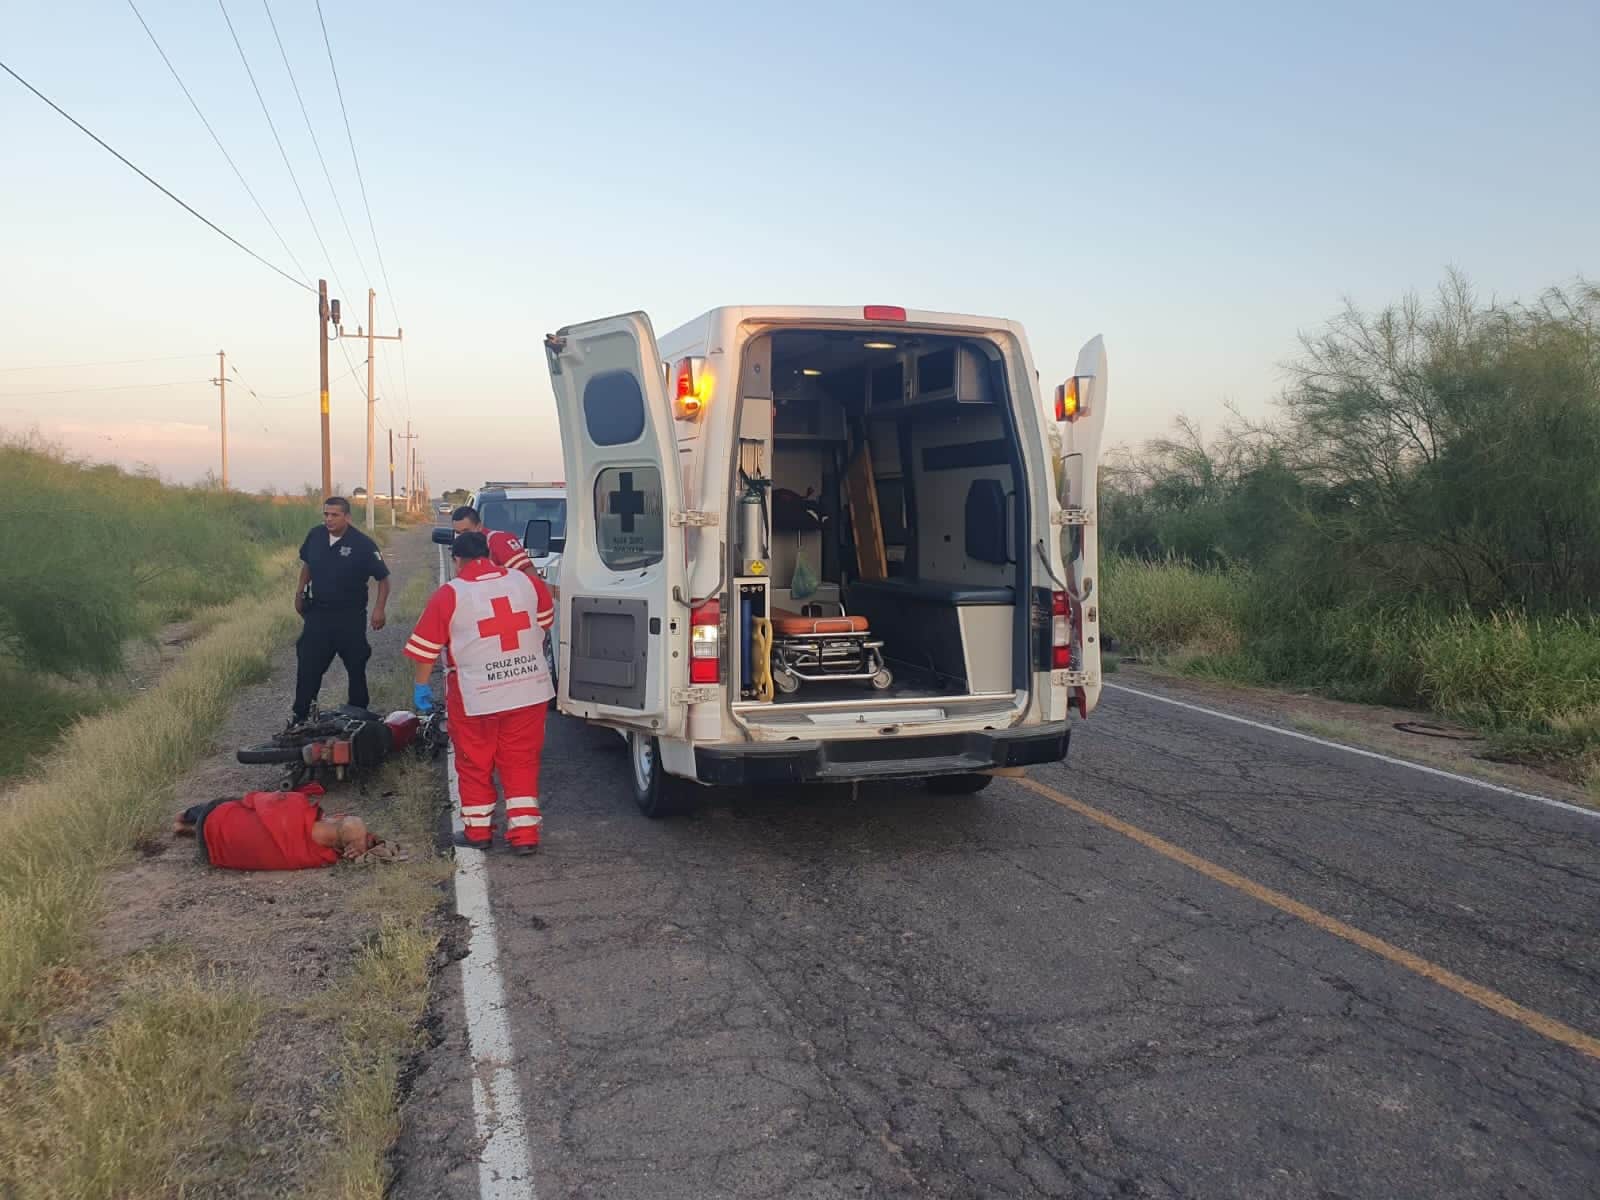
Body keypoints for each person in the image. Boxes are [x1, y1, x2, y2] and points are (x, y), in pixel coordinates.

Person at [405, 531, 555, 854]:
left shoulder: (450, 594)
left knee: (474, 761)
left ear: (456, 560)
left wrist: (420, 687)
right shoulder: (525, 582)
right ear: (488, 553)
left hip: (477, 695)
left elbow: (425, 650)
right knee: (521, 760)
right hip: (529, 689)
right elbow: (545, 622)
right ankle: (525, 835)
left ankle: (479, 832)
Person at [292, 496, 391, 724]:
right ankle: (302, 715)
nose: (329, 519)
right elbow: (307, 565)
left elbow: (383, 579)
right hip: (318, 614)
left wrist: (379, 609)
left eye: (334, 515)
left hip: (349, 617)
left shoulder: (363, 544)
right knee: (308, 664)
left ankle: (358, 715)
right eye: (326, 514)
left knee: (356, 666)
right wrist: (299, 593)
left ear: (347, 517)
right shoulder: (315, 536)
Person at [173, 782, 379, 870]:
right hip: (213, 851)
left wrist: (358, 838)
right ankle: (193, 830)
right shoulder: (317, 857)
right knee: (254, 831)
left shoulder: (299, 810)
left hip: (214, 817)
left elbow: (253, 800)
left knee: (243, 804)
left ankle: (185, 816)